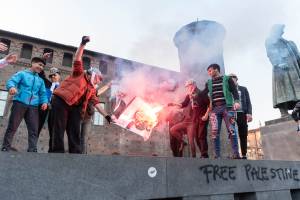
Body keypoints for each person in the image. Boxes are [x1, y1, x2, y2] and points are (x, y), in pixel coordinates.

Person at [49, 36, 112, 153]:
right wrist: (83, 44)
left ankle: (75, 153)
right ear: (92, 74)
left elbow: (97, 103)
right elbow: (78, 58)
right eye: (98, 79)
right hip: (61, 101)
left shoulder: (91, 89)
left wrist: (107, 116)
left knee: (74, 130)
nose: (98, 82)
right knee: (59, 127)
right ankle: (57, 152)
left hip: (75, 107)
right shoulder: (79, 73)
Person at [1, 57, 48, 152]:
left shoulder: (40, 81)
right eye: (39, 64)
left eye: (42, 66)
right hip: (19, 103)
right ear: (32, 63)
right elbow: (11, 81)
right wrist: (12, 87)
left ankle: (32, 149)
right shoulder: (22, 74)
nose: (41, 67)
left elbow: (43, 93)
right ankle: (6, 147)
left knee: (34, 129)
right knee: (12, 126)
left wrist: (44, 102)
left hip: (33, 106)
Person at [205, 64, 240, 159]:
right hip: (215, 110)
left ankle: (236, 153)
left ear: (216, 70)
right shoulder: (209, 82)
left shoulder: (227, 79)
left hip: (227, 108)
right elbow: (204, 94)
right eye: (208, 71)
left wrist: (236, 102)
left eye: (210, 70)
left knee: (232, 130)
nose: (209, 73)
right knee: (215, 132)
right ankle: (217, 155)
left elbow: (234, 91)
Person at [168, 79, 210, 158]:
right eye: (187, 87)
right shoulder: (189, 95)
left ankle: (197, 157)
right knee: (173, 130)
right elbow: (183, 104)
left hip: (195, 120)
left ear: (193, 84)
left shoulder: (201, 94)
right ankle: (183, 142)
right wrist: (173, 104)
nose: (187, 88)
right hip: (188, 121)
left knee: (194, 139)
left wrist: (206, 115)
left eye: (188, 86)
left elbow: (208, 104)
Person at [265, 24, 300, 117]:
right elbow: (270, 53)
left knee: (297, 90)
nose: (283, 31)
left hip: (293, 70)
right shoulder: (270, 40)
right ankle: (283, 112)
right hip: (281, 69)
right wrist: (278, 63)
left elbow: (297, 56)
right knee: (282, 91)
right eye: (281, 29)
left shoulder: (289, 43)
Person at [80, 82, 112, 154]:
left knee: (84, 138)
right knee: (78, 137)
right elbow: (97, 103)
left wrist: (108, 85)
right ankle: (77, 156)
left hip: (87, 118)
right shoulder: (82, 89)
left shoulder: (91, 92)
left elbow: (97, 95)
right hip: (78, 117)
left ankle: (82, 156)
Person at [229, 73, 253, 159]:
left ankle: (244, 154)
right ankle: (235, 153)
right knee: (232, 133)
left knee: (243, 133)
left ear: (236, 79)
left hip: (242, 113)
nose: (231, 79)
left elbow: (248, 102)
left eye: (233, 78)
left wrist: (249, 113)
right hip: (231, 114)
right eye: (230, 78)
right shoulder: (228, 90)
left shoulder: (243, 89)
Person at [38, 66, 61, 152]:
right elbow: (41, 74)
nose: (53, 77)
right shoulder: (47, 83)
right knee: (37, 126)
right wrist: (43, 59)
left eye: (55, 75)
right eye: (51, 76)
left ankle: (52, 150)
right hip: (44, 108)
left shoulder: (62, 87)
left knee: (53, 130)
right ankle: (32, 147)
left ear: (59, 76)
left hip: (54, 111)